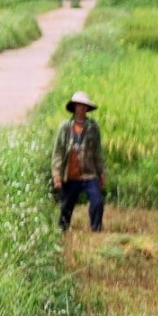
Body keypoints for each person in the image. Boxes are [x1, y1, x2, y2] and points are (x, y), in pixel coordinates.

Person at [51, 91, 106, 233]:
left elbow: (97, 152)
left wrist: (101, 173)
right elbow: (58, 152)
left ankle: (96, 229)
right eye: (79, 105)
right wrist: (56, 173)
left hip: (89, 173)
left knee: (97, 201)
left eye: (84, 106)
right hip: (70, 174)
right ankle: (62, 231)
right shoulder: (65, 127)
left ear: (87, 108)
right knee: (66, 207)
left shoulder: (93, 127)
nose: (81, 108)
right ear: (74, 107)